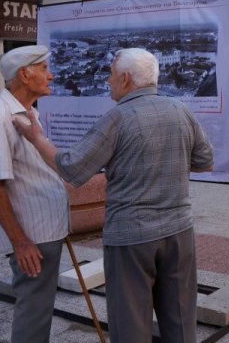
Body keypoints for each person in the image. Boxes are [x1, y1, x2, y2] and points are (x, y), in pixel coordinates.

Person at [14, 48, 214, 343]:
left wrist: (37, 138)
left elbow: (71, 167)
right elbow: (206, 161)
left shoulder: (118, 118)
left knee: (131, 325)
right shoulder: (180, 109)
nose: (107, 82)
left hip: (131, 238)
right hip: (179, 232)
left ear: (125, 78)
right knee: (182, 321)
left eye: (109, 75)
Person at [0, 45, 70, 343]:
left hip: (44, 230)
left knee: (39, 310)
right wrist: (20, 241)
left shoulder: (30, 114)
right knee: (33, 313)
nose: (50, 75)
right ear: (24, 75)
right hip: (31, 237)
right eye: (44, 69)